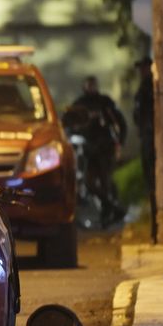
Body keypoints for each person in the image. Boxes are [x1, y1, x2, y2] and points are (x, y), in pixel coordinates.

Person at [64, 75, 128, 228]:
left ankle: (108, 213)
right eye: (88, 85)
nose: (91, 88)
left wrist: (120, 141)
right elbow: (67, 122)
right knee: (90, 182)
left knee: (105, 181)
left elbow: (120, 121)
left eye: (93, 85)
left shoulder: (104, 102)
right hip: (89, 150)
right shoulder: (79, 104)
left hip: (105, 149)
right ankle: (113, 208)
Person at [132, 57, 156, 242]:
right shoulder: (142, 88)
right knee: (151, 186)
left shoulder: (152, 87)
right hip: (147, 139)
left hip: (153, 139)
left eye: (144, 68)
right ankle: (154, 229)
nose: (142, 72)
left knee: (154, 185)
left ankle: (156, 228)